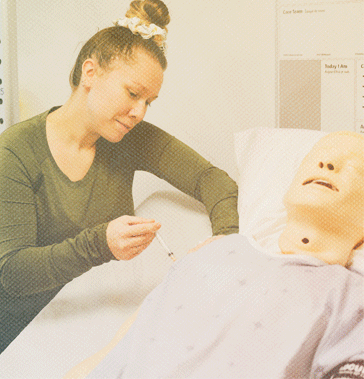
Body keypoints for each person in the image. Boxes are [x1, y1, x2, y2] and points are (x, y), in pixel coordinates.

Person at [0, 0, 240, 378]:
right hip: (4, 345)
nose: (139, 111)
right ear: (90, 72)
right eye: (132, 93)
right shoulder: (16, 151)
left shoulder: (130, 138)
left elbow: (213, 180)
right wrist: (102, 243)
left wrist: (225, 242)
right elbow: (15, 271)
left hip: (77, 335)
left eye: (148, 102)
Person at [65, 131, 364, 379]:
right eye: (314, 158)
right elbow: (113, 352)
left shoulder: (352, 296)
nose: (326, 163)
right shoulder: (214, 253)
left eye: (356, 167)